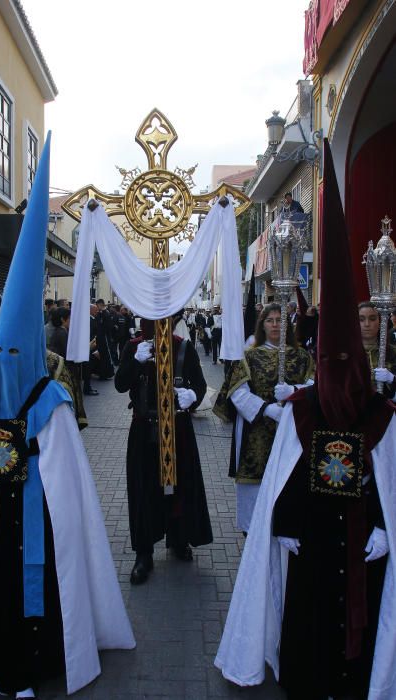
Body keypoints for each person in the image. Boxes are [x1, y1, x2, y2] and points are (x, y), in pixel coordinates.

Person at [215, 139, 396, 700]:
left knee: (356, 639)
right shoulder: (304, 411)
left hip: (362, 539)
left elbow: (389, 481)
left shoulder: (381, 415)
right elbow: (284, 477)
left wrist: (387, 529)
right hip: (313, 539)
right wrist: (286, 524)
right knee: (308, 622)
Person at [0, 133, 134, 700]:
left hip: (37, 517)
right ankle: (3, 662)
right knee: (1, 587)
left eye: (16, 354)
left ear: (30, 353)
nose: (6, 363)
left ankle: (49, 658)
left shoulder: (51, 402)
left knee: (43, 586)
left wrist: (31, 467)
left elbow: (69, 481)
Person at [115, 318, 213, 585]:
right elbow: (121, 384)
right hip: (144, 427)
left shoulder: (183, 347)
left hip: (178, 428)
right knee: (144, 489)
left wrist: (192, 396)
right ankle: (143, 552)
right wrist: (135, 361)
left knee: (180, 485)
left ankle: (179, 539)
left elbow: (200, 384)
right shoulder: (134, 346)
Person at [214, 303, 314, 533]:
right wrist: (266, 409)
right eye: (270, 320)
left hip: (292, 427)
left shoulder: (301, 356)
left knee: (290, 479)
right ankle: (254, 529)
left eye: (280, 320)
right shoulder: (249, 356)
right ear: (262, 325)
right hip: (256, 430)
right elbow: (237, 392)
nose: (276, 324)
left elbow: (315, 386)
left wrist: (295, 391)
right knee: (256, 483)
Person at [359, 301, 396, 396]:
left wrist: (392, 379)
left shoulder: (393, 352)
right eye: (361, 319)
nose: (367, 324)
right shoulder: (347, 354)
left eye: (372, 319)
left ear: (380, 322)